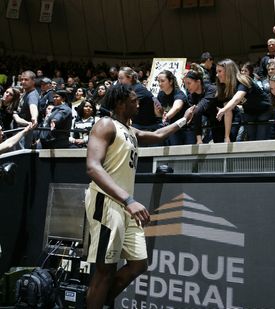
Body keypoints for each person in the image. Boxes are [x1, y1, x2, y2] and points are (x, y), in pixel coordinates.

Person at [84, 83, 194, 308]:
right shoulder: (106, 124)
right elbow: (93, 167)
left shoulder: (130, 131)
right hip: (107, 202)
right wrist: (128, 200)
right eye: (134, 100)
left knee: (139, 263)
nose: (138, 103)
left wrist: (183, 120)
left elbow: (158, 135)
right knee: (105, 270)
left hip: (125, 205)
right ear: (120, 103)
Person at [216, 59, 273, 142]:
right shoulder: (225, 87)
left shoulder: (243, 80)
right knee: (252, 141)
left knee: (261, 140)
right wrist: (227, 136)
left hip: (263, 110)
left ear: (228, 71)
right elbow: (228, 112)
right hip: (249, 112)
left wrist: (223, 110)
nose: (217, 75)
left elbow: (237, 98)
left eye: (220, 71)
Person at [117, 67, 162, 146]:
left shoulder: (138, 89)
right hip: (139, 125)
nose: (119, 81)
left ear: (130, 78)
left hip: (149, 128)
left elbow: (126, 107)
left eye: (121, 78)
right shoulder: (130, 89)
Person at [183, 64, 222, 144]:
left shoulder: (211, 90)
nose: (187, 87)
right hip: (213, 122)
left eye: (189, 83)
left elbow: (198, 110)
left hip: (228, 120)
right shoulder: (192, 96)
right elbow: (196, 115)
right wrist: (199, 139)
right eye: (185, 84)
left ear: (198, 81)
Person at [156, 70, 194, 145]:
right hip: (172, 129)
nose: (160, 84)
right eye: (158, 81)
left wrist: (166, 117)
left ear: (171, 82)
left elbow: (177, 107)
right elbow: (159, 112)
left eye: (162, 81)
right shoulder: (160, 95)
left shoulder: (179, 93)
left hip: (186, 129)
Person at [13, 70, 39, 148]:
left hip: (26, 130)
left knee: (21, 154)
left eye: (26, 79)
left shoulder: (32, 95)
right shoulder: (26, 92)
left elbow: (33, 106)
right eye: (22, 79)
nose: (23, 82)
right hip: (20, 128)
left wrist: (34, 117)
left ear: (33, 81)